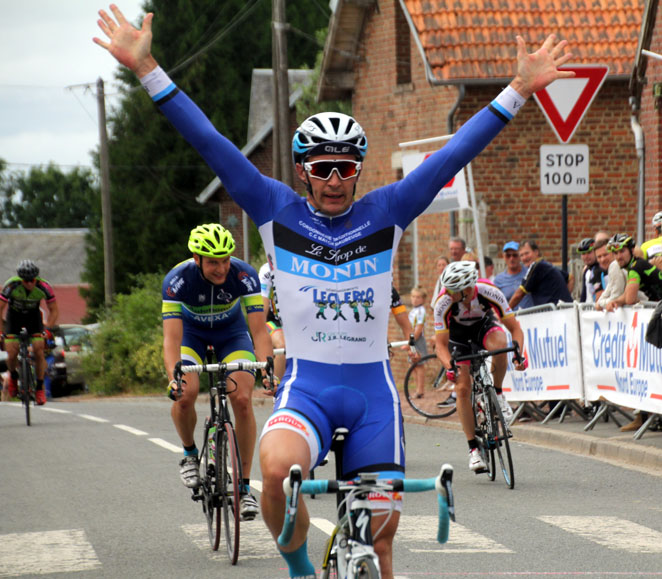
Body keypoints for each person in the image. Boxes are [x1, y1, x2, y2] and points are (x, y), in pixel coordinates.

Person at [94, 9, 572, 575]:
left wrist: (517, 89)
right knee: (273, 472)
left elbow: (452, 156)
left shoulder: (387, 212)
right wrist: (147, 67)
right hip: (308, 390)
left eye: (346, 168)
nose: (335, 180)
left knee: (381, 544)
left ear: (358, 170)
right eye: (322, 168)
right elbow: (210, 143)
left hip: (372, 396)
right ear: (302, 171)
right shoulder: (275, 210)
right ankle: (298, 565)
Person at [162, 224, 273, 520]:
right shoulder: (177, 281)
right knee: (184, 395)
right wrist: (173, 378)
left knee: (242, 400)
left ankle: (246, 488)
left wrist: (268, 369)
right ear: (196, 259)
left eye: (225, 259)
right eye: (213, 261)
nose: (221, 267)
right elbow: (171, 339)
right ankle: (188, 453)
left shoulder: (244, 275)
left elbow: (259, 331)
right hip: (192, 336)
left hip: (231, 335)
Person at [433, 261, 526, 472]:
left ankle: (499, 394)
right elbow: (440, 345)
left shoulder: (488, 291)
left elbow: (515, 328)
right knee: (462, 387)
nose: (447, 293)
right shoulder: (443, 302)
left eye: (451, 290)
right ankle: (473, 450)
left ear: (466, 289)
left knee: (501, 345)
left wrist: (519, 354)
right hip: (457, 337)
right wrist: (450, 366)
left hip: (483, 327)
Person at [0, 260, 58, 406]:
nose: (30, 284)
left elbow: (54, 310)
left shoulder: (44, 286)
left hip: (34, 317)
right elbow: (0, 309)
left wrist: (48, 329)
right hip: (14, 317)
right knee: (12, 353)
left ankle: (39, 388)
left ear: (36, 278)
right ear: (21, 279)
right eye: (26, 281)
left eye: (32, 280)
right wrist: (1, 331)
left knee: (39, 350)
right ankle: (13, 376)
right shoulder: (11, 285)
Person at [606, 233, 662, 311]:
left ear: (631, 250)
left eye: (622, 251)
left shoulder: (636, 267)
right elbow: (627, 294)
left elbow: (629, 299)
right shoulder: (635, 265)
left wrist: (638, 301)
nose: (618, 257)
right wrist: (614, 301)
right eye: (615, 253)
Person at [508, 240, 572, 309]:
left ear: (536, 252)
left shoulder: (536, 266)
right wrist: (564, 300)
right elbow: (570, 278)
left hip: (554, 314)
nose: (524, 258)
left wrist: (505, 312)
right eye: (521, 255)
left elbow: (519, 294)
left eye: (527, 253)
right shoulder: (545, 264)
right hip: (564, 311)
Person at [259, 260, 286, 382]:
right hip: (274, 321)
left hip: (296, 323)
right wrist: (259, 335)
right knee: (282, 345)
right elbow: (262, 310)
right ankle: (275, 387)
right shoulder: (267, 270)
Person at [494, 240, 533, 310]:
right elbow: (495, 303)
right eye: (508, 256)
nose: (511, 259)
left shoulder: (530, 273)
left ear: (520, 256)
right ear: (503, 257)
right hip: (512, 318)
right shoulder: (498, 280)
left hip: (531, 316)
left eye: (515, 255)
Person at [407, 287, 428, 398]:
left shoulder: (421, 311)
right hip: (412, 340)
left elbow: (418, 329)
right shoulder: (414, 310)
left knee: (419, 365)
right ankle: (417, 389)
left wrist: (411, 342)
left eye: (418, 297)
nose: (415, 299)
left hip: (417, 340)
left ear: (423, 299)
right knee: (413, 364)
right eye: (413, 296)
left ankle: (420, 390)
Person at [577, 237, 602, 304]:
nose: (586, 256)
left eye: (589, 252)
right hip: (587, 309)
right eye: (583, 254)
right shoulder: (587, 271)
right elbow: (584, 295)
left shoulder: (600, 269)